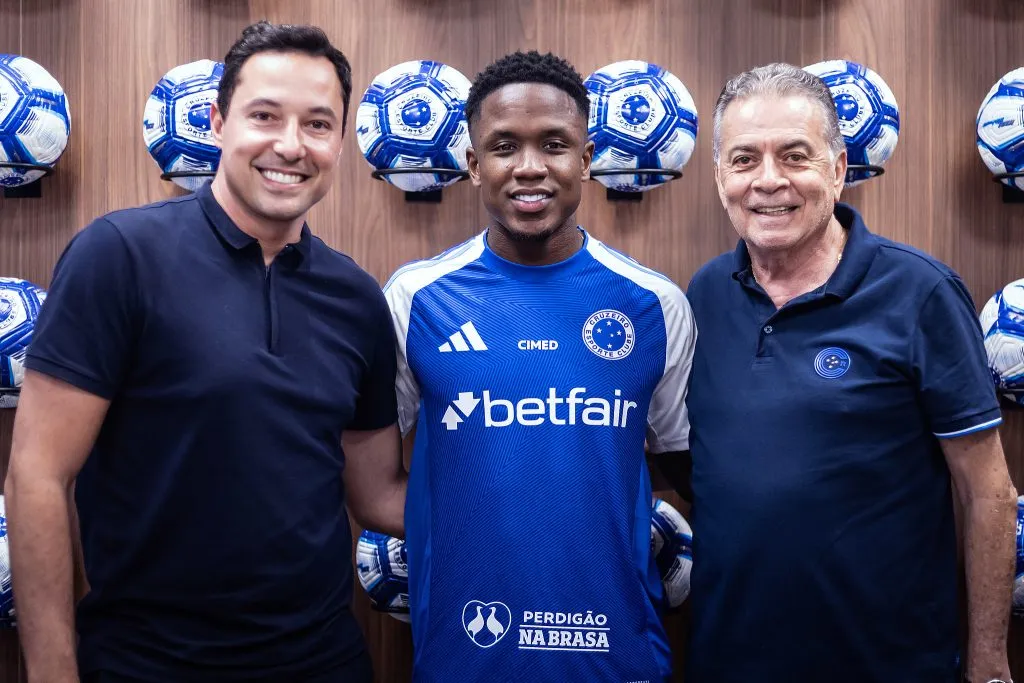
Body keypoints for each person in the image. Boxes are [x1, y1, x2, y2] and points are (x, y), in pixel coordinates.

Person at [4, 21, 406, 683]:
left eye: (317, 124)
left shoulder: (358, 299)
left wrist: (539, 502)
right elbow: (37, 476)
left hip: (323, 660)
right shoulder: (119, 256)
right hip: (149, 664)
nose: (290, 145)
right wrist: (51, 672)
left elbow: (377, 495)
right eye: (265, 116)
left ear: (340, 140)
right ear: (218, 122)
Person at [683, 62, 1017, 683]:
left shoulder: (921, 292)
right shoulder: (702, 297)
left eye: (795, 156)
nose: (768, 181)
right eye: (744, 159)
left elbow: (987, 492)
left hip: (889, 663)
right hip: (729, 660)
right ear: (719, 177)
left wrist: (989, 661)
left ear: (838, 170)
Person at [383, 51, 695, 682]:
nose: (530, 168)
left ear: (586, 160)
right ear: (473, 165)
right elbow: (371, 479)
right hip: (466, 650)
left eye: (555, 144)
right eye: (503, 146)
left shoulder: (655, 303)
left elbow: (680, 467)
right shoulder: (415, 298)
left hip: (618, 654)